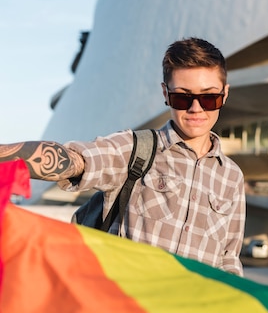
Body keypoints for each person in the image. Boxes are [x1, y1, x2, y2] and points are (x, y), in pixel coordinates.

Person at [0, 37, 246, 276]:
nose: (196, 108)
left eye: (208, 97)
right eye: (182, 97)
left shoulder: (232, 177)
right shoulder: (135, 149)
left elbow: (228, 260)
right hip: (132, 310)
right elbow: (75, 161)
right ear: (165, 93)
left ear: (224, 94)